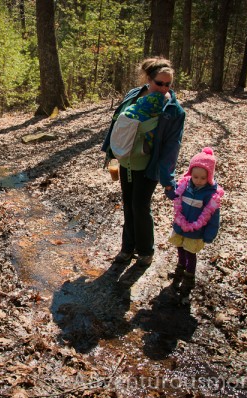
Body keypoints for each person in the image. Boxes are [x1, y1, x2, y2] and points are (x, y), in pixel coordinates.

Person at [102, 57, 186, 266]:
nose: (163, 88)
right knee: (129, 204)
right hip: (127, 161)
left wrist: (168, 178)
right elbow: (118, 123)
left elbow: (171, 147)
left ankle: (146, 251)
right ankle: (127, 249)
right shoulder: (134, 94)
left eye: (168, 84)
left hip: (150, 165)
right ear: (148, 79)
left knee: (140, 205)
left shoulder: (174, 110)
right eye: (159, 83)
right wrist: (112, 152)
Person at [168, 147, 223, 304]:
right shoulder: (184, 187)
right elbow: (174, 195)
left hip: (196, 232)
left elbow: (213, 217)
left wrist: (209, 234)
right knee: (180, 248)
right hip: (180, 227)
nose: (198, 180)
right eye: (195, 176)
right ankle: (180, 268)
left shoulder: (210, 196)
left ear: (209, 177)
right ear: (190, 173)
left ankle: (189, 277)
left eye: (202, 178)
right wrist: (168, 186)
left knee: (190, 254)